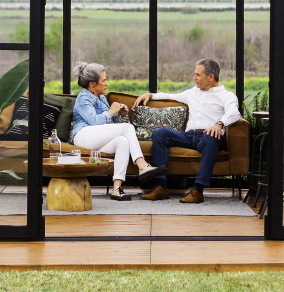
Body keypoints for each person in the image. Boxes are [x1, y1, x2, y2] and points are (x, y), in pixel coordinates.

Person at [135, 58, 241, 204]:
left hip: (208, 137)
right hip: (189, 136)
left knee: (211, 137)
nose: (194, 78)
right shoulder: (193, 93)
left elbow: (234, 113)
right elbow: (170, 96)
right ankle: (161, 187)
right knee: (160, 133)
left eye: (198, 75)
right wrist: (151, 95)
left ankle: (198, 190)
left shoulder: (226, 95)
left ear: (210, 77)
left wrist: (219, 124)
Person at [70, 62, 166, 201]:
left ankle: (117, 188)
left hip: (96, 138)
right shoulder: (83, 98)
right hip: (83, 136)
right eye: (103, 80)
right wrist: (111, 111)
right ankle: (142, 165)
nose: (106, 84)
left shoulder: (102, 98)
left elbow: (108, 125)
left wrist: (120, 113)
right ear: (92, 84)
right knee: (127, 128)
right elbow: (94, 122)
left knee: (123, 141)